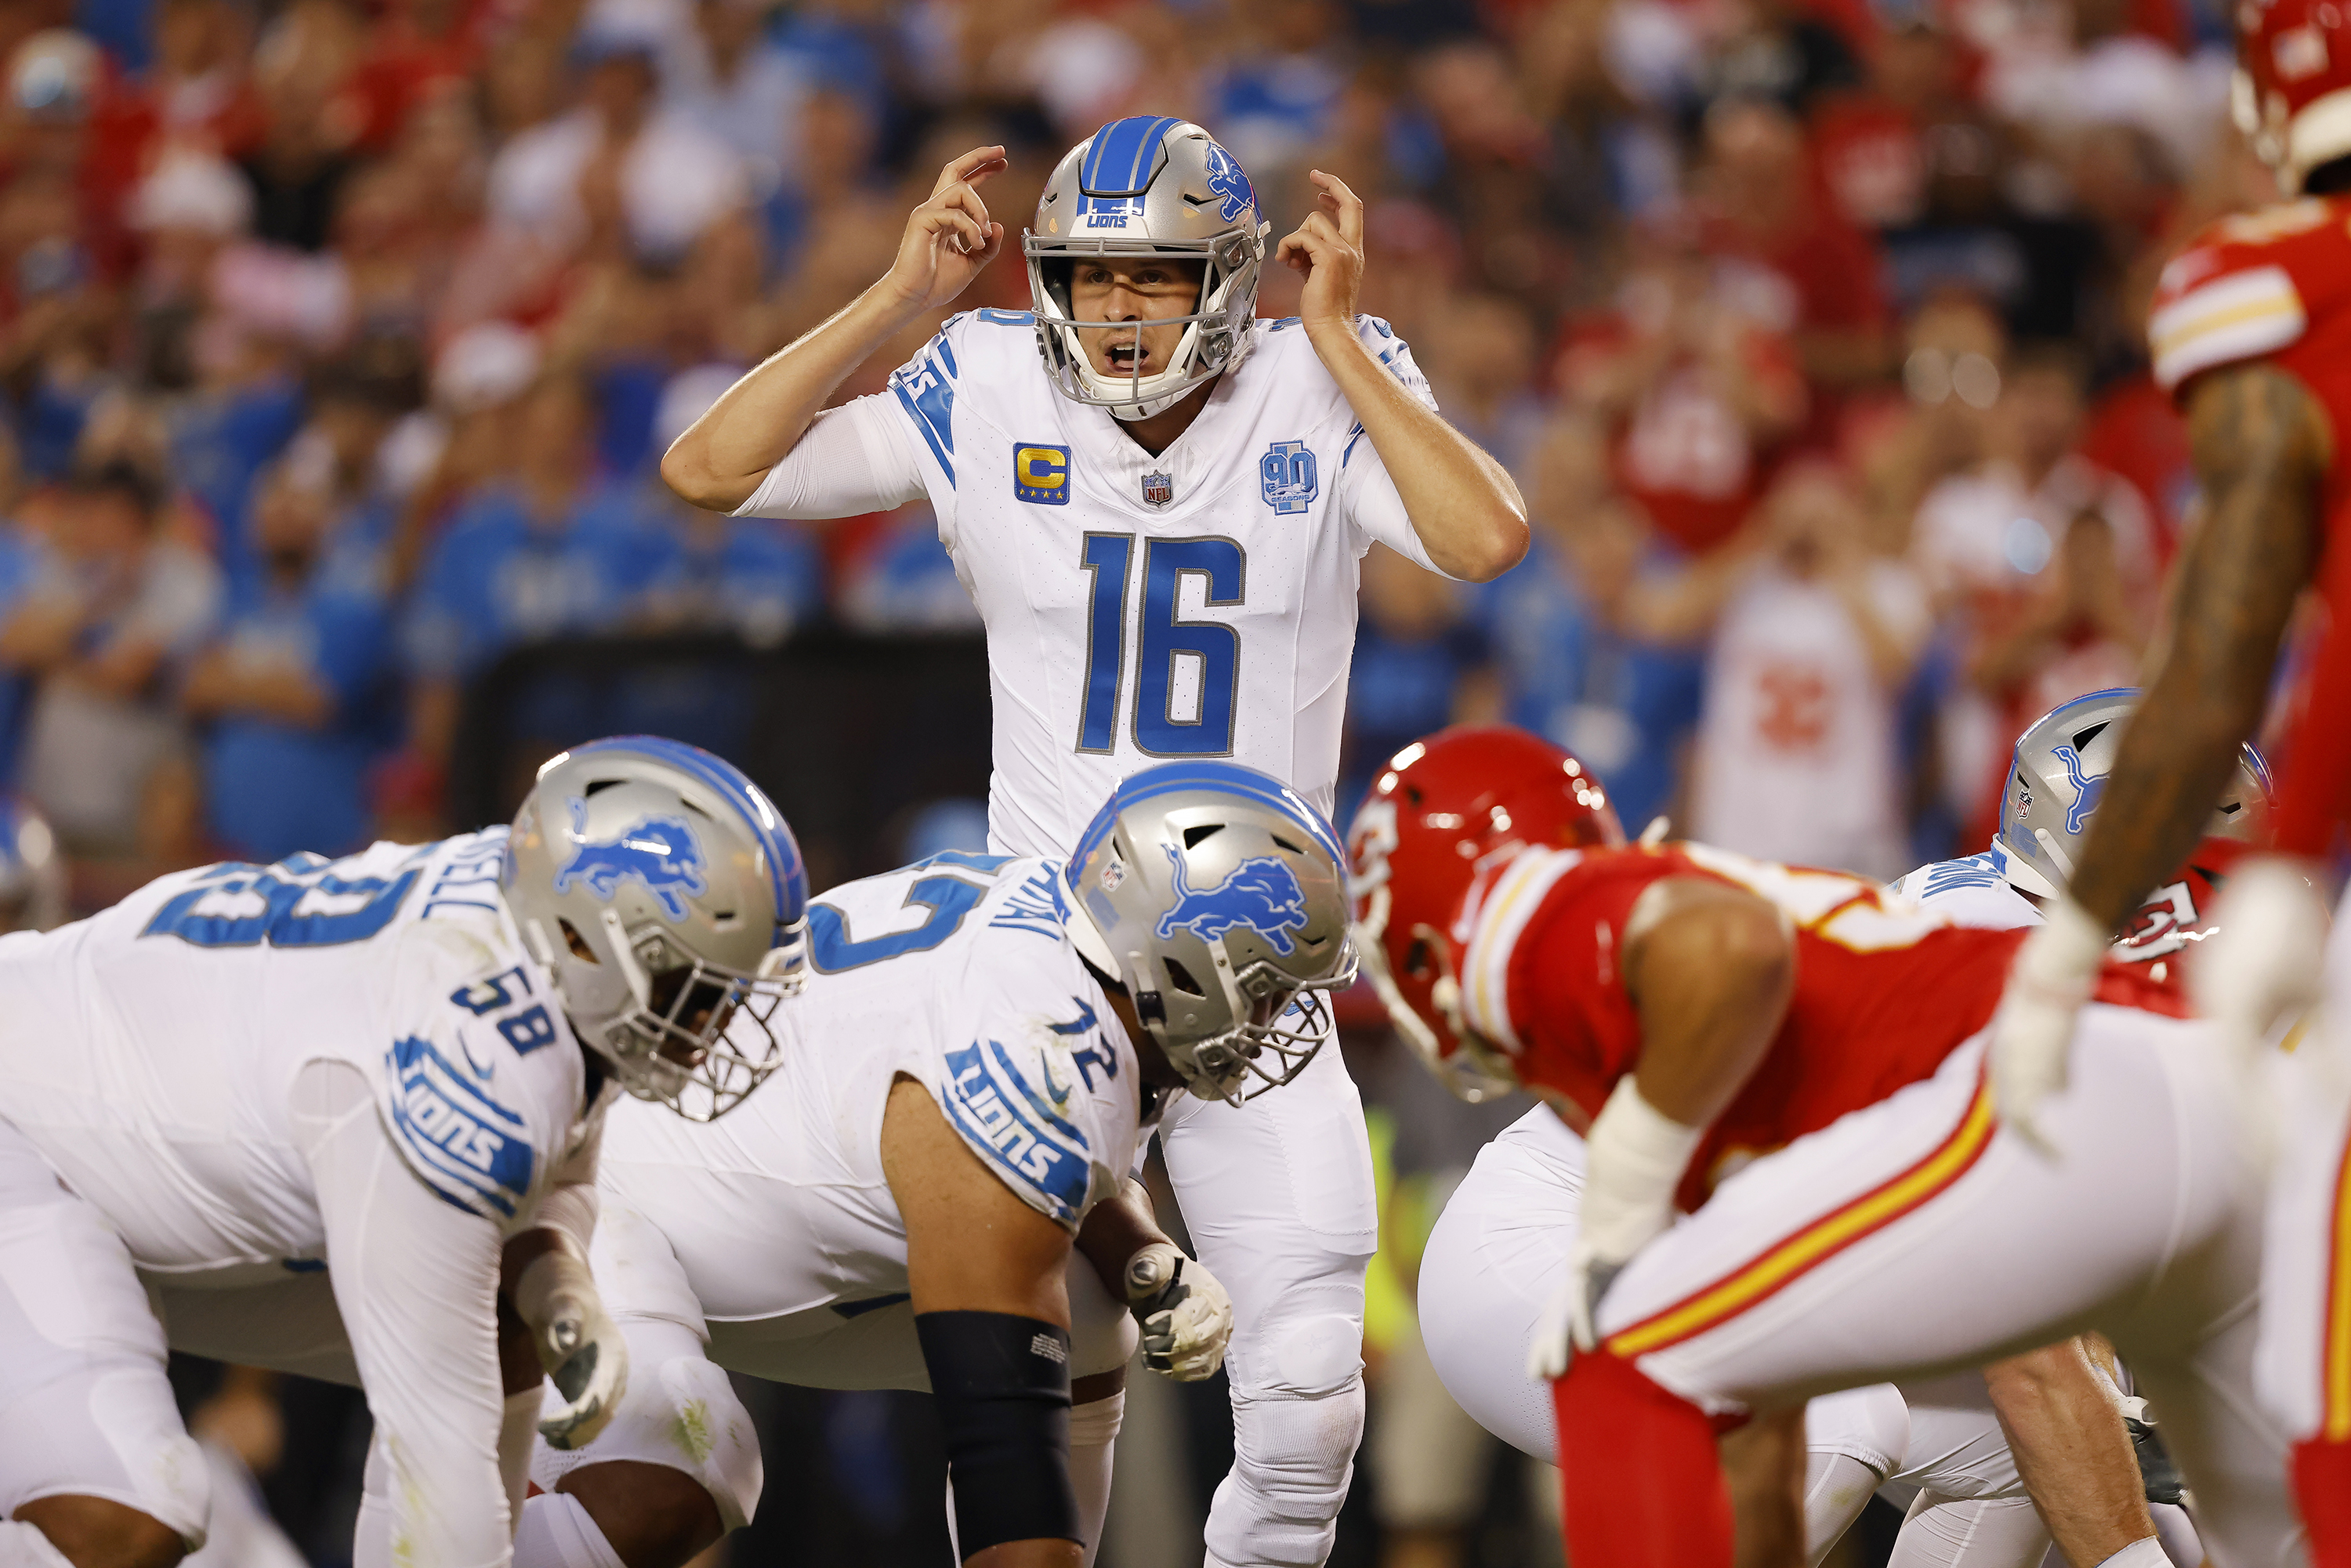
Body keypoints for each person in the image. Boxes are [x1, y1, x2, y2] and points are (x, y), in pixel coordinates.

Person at [661, 115, 1529, 1568]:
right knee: (1040, 1375)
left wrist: (1344, 341)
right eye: (1090, 277)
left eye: (1161, 280)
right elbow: (711, 471)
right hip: (1048, 959)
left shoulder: (1320, 379)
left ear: (1236, 281)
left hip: (1257, 964)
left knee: (1311, 1397)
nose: (1119, 313)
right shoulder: (988, 374)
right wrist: (899, 300)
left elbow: (1484, 538)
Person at [1344, 726, 2296, 1566]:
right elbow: (2031, 1348)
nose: (2218, 923)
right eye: (2209, 876)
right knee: (1859, 1419)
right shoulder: (2021, 983)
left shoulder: (2044, 951)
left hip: (1710, 1233)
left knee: (2054, 1448)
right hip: (1547, 1238)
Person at [505, 762, 1360, 1568]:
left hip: (741, 1211)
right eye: (1266, 987)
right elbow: (1002, 1447)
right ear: (1181, 960)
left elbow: (1048, 1161)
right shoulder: (1036, 1056)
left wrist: (1137, 1248)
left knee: (1096, 1309)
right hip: (606, 1193)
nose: (1275, 1022)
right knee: (685, 1463)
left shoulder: (1078, 961)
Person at [0, 733, 806, 1568]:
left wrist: (553, 1273)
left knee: (508, 1312)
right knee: (127, 1513)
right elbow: (442, 1494)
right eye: (696, 988)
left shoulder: (535, 912)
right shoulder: (455, 1071)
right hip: (25, 1129)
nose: (716, 1027)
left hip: (121, 1145)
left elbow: (558, 1117)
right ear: (585, 943)